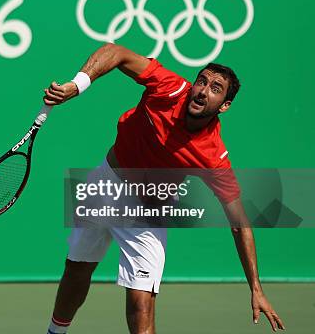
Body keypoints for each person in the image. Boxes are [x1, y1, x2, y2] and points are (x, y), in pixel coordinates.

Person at [42, 43, 285, 334]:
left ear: (224, 105)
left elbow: (239, 223)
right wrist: (77, 85)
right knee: (77, 269)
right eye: (202, 81)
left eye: (215, 88)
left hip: (148, 208)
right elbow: (115, 53)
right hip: (106, 182)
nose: (203, 90)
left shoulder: (212, 156)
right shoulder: (169, 88)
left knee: (141, 304)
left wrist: (256, 288)